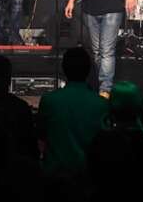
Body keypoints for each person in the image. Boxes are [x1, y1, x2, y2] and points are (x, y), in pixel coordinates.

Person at [38, 47, 109, 176]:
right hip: (89, 178)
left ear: (64, 69)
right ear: (88, 71)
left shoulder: (49, 100)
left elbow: (41, 137)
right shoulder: (101, 104)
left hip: (55, 176)